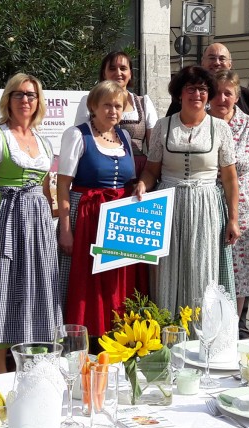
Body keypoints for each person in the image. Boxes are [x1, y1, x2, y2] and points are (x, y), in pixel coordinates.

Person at [0, 73, 62, 374]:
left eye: (31, 95)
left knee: (33, 288)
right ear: (8, 100)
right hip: (5, 217)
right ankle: (0, 369)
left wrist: (53, 221)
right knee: (3, 288)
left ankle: (31, 362)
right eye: (19, 94)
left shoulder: (43, 141)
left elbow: (46, 188)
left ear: (38, 101)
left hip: (36, 223)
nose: (25, 100)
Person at [135, 66, 240, 314]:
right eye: (191, 88)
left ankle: (201, 333)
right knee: (166, 269)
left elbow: (229, 178)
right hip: (168, 204)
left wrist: (233, 219)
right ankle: (168, 332)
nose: (197, 94)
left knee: (202, 268)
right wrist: (142, 183)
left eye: (203, 89)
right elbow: (151, 171)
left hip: (206, 205)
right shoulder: (163, 126)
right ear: (179, 93)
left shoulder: (220, 128)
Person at [58, 80, 141, 342]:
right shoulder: (77, 135)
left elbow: (129, 178)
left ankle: (118, 335)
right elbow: (63, 186)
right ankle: (87, 338)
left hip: (120, 218)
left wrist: (139, 186)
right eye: (107, 105)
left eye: (118, 106)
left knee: (118, 279)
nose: (113, 111)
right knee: (87, 280)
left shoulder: (125, 137)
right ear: (93, 106)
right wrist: (65, 230)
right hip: (88, 217)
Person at [209, 70, 249, 318]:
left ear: (237, 96)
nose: (221, 98)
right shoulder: (200, 123)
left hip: (245, 207)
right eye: (216, 92)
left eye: (228, 93)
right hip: (208, 201)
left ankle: (233, 327)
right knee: (209, 265)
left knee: (239, 272)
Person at [75, 51, 158, 175]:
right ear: (104, 73)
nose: (118, 73)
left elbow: (155, 147)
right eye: (112, 68)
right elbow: (79, 138)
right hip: (99, 168)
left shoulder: (143, 102)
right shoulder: (89, 101)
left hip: (137, 170)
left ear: (130, 73)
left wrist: (148, 177)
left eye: (123, 68)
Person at [166, 43, 249, 123]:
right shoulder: (189, 96)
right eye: (212, 58)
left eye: (222, 59)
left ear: (230, 64)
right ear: (202, 62)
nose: (217, 63)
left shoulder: (246, 96)